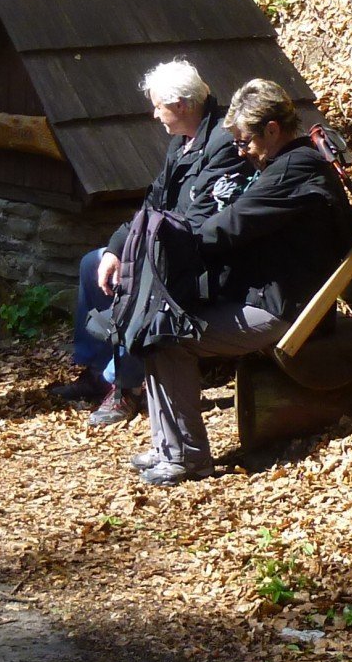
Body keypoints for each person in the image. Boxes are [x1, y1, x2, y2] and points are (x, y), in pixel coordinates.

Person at [131, 78, 352, 485]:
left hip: (284, 310)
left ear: (272, 130)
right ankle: (169, 446)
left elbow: (229, 227)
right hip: (273, 295)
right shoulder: (285, 165)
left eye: (244, 142)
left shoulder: (295, 171)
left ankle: (188, 458)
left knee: (168, 338)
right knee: (159, 325)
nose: (242, 151)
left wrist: (169, 242)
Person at [54, 60, 247, 428]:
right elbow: (154, 201)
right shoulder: (183, 142)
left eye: (159, 105)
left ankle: (127, 386)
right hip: (165, 242)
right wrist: (116, 247)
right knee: (94, 263)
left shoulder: (222, 144)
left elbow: (198, 219)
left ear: (182, 105)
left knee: (137, 279)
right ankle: (98, 371)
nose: (154, 113)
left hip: (200, 257)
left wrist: (139, 252)